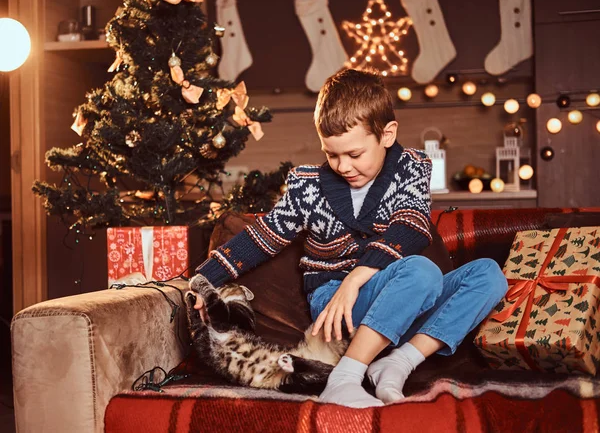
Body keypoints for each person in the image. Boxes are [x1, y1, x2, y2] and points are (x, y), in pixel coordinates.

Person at [192, 68, 508, 408]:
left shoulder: (411, 167)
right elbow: (264, 236)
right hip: (335, 302)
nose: (343, 166)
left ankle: (397, 364)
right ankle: (344, 378)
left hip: (401, 294)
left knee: (488, 275)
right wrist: (202, 279)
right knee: (422, 272)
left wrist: (357, 278)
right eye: (332, 154)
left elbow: (413, 224)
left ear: (387, 135)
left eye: (354, 154)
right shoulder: (308, 185)